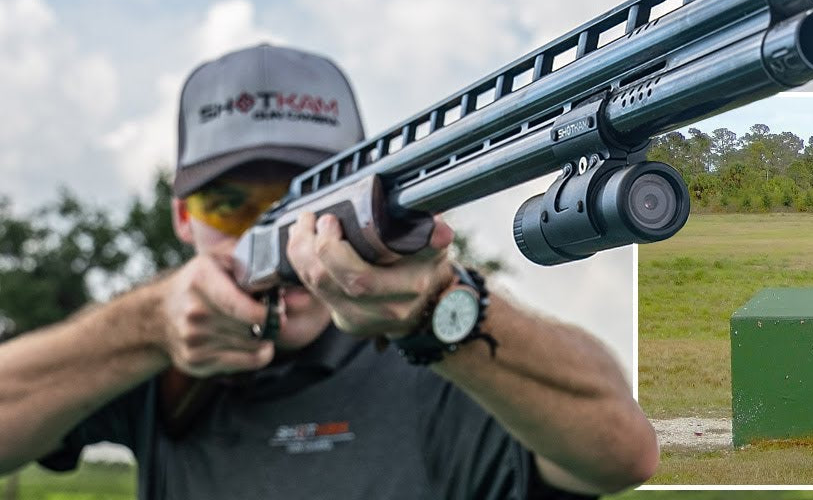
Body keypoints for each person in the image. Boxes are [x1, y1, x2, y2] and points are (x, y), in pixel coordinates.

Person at [0, 44, 657, 499]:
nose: (281, 234)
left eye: (304, 200)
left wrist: (441, 312)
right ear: (182, 218)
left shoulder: (441, 367)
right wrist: (146, 328)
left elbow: (621, 452)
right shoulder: (155, 367)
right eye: (229, 205)